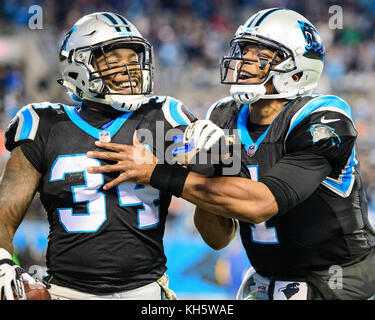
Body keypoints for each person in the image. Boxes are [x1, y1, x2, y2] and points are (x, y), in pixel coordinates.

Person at [85, 8, 375, 300]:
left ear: (296, 70)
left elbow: (263, 204)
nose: (243, 61)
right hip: (265, 284)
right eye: (243, 50)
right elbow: (217, 237)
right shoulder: (224, 116)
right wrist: (211, 166)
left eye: (260, 55)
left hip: (343, 285)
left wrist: (156, 173)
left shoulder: (323, 118)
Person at [0, 12, 199, 300]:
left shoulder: (163, 117)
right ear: (77, 65)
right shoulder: (42, 124)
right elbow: (5, 213)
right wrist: (3, 261)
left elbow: (212, 199)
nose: (128, 69)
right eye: (113, 60)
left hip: (146, 292)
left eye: (133, 59)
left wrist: (209, 160)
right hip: (66, 293)